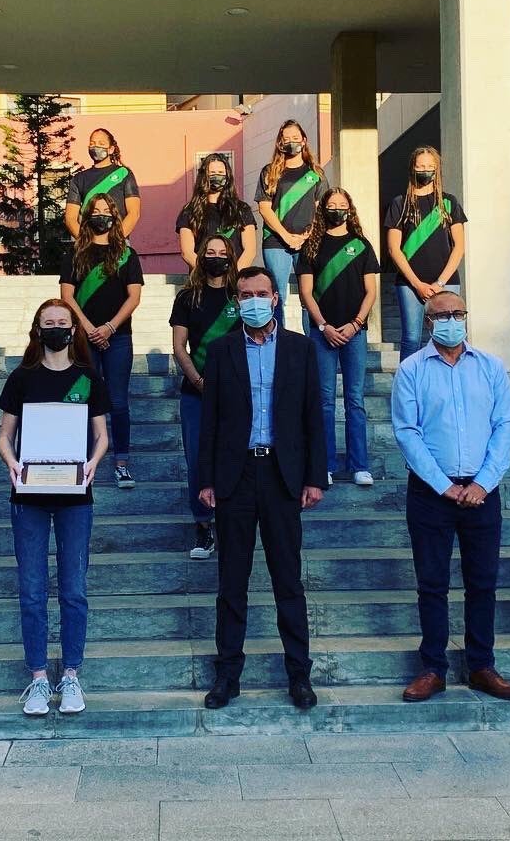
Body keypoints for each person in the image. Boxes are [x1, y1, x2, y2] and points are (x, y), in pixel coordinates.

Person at [196, 266, 326, 711]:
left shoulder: (300, 349)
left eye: (261, 293)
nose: (253, 300)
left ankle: (299, 676)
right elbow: (209, 420)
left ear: (275, 298)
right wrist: (206, 480)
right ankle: (227, 676)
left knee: (288, 581)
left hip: (283, 476)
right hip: (235, 478)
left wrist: (315, 475)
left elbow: (314, 415)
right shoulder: (220, 350)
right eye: (245, 294)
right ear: (237, 301)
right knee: (231, 582)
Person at [391, 289, 510, 703]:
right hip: (432, 492)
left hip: (483, 491)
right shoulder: (411, 369)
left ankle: (482, 665)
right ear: (428, 322)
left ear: (466, 317)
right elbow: (407, 431)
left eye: (457, 313)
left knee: (482, 581)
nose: (450, 320)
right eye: (441, 315)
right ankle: (433, 668)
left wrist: (483, 482)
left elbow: (504, 425)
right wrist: (444, 485)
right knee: (432, 583)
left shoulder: (490, 367)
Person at [0, 300, 111, 717]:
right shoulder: (22, 378)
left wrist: (94, 464)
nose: (57, 328)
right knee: (31, 591)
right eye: (50, 323)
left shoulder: (88, 378)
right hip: (28, 496)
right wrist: (11, 462)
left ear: (74, 328)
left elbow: (101, 436)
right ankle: (39, 679)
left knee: (73, 589)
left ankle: (72, 676)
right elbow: (4, 437)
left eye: (63, 322)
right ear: (37, 329)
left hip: (74, 496)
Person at [297, 186, 380, 487]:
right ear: (323, 209)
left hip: (355, 332)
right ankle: (326, 464)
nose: (336, 209)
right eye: (331, 205)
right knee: (325, 401)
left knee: (355, 399)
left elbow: (371, 291)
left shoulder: (362, 245)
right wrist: (324, 327)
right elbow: (306, 292)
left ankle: (360, 465)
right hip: (323, 334)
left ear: (350, 208)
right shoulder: (311, 247)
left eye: (341, 204)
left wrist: (356, 324)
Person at [59, 192, 143, 488]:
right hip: (82, 339)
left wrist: (109, 327)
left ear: (115, 216)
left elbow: (134, 296)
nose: (101, 215)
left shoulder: (127, 255)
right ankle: (81, 460)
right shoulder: (74, 254)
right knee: (82, 399)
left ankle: (121, 462)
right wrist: (90, 329)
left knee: (118, 401)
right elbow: (66, 296)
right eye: (95, 210)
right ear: (86, 215)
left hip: (118, 338)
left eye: (107, 210)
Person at [170, 233, 240, 560]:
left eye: (221, 252)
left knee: (233, 456)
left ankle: (231, 520)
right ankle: (202, 526)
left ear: (231, 257)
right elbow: (178, 347)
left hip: (235, 394)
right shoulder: (187, 297)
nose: (215, 257)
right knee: (197, 458)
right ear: (200, 257)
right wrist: (198, 381)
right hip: (195, 393)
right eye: (209, 252)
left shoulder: (240, 296)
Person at [384, 146, 467, 362]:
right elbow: (394, 248)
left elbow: (459, 246)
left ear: (437, 169)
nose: (425, 170)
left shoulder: (449, 202)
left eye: (430, 166)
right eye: (421, 166)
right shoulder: (400, 204)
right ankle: (408, 388)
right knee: (411, 339)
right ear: (412, 168)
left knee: (448, 337)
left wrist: (440, 283)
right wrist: (417, 284)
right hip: (409, 284)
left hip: (446, 281)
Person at [254, 120, 322, 329]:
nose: (291, 142)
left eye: (295, 138)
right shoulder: (270, 172)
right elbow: (264, 208)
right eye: (286, 139)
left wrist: (306, 235)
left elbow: (320, 209)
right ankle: (278, 342)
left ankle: (312, 347)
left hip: (308, 242)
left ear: (304, 140)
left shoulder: (316, 173)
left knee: (308, 294)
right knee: (278, 296)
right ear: (280, 143)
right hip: (276, 242)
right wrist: (286, 236)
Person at [176, 153, 257, 270]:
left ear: (227, 176)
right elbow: (187, 253)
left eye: (221, 173)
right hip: (202, 281)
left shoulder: (242, 209)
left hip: (234, 279)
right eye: (212, 173)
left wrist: (233, 275)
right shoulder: (189, 211)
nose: (217, 177)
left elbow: (250, 250)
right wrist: (207, 276)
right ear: (204, 176)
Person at [65, 126, 140, 239]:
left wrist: (116, 241)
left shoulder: (124, 174)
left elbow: (134, 213)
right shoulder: (78, 179)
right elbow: (70, 218)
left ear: (111, 149)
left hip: (119, 244)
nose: (96, 146)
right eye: (92, 143)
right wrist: (86, 243)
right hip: (89, 246)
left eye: (101, 143)